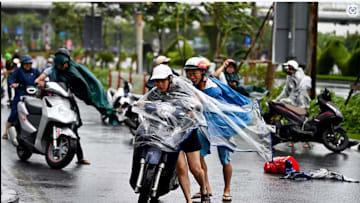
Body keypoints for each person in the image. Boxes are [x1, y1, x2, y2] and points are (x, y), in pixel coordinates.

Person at [139, 64, 210, 203]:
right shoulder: (155, 92)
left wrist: (192, 109)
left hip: (188, 131)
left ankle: (204, 189)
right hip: (171, 135)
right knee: (181, 168)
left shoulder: (181, 87)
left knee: (196, 169)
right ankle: (189, 200)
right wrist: (139, 105)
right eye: (157, 81)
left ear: (170, 79)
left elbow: (197, 101)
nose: (159, 84)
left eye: (162, 81)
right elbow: (143, 101)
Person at [184, 57, 235, 202]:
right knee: (199, 156)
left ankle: (227, 189)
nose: (191, 76)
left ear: (203, 73)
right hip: (203, 125)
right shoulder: (193, 86)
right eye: (189, 73)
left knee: (224, 159)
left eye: (195, 73)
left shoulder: (213, 89)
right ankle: (205, 188)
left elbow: (197, 103)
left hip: (221, 126)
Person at [35, 48, 119, 126]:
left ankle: (113, 114)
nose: (64, 66)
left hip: (75, 92)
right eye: (61, 65)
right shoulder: (52, 70)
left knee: (97, 103)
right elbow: (38, 80)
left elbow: (85, 80)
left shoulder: (75, 68)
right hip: (56, 95)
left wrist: (89, 92)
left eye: (65, 64)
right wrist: (42, 83)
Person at [2, 55, 40, 139]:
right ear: (23, 64)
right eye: (26, 64)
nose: (28, 65)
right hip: (20, 94)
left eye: (29, 64)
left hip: (32, 95)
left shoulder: (35, 71)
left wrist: (41, 82)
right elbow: (11, 79)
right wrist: (13, 83)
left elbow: (42, 78)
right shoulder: (18, 71)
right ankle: (6, 131)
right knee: (14, 112)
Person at [276, 60, 312, 148]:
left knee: (303, 121)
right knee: (291, 120)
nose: (288, 70)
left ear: (293, 69)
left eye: (289, 68)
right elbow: (286, 89)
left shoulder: (300, 79)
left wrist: (286, 100)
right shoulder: (290, 77)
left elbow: (295, 94)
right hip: (293, 103)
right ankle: (292, 139)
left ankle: (307, 141)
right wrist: (278, 98)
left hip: (301, 103)